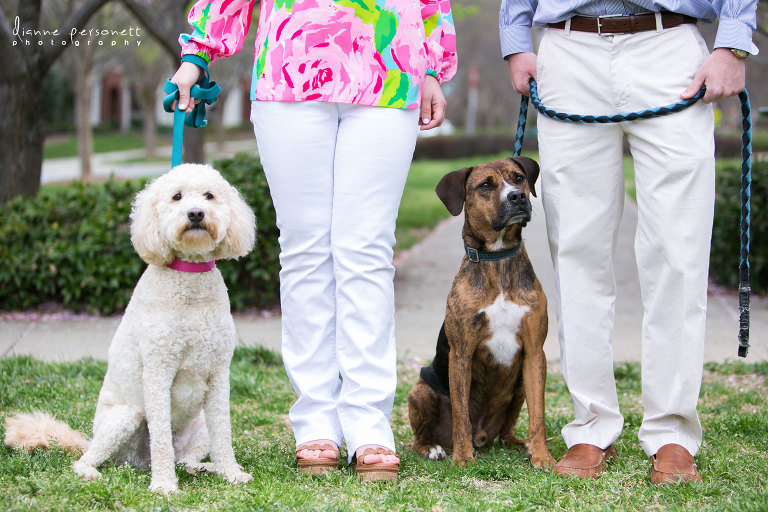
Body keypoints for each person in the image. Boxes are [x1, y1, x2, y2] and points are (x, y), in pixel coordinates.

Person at [171, 0, 457, 481]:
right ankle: (316, 423)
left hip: (390, 65)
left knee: (366, 251)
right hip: (291, 65)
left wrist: (432, 64)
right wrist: (196, 53)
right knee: (305, 251)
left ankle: (369, 425)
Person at [500, 0, 758, 483]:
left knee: (678, 252)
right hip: (568, 50)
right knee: (576, 251)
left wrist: (732, 42)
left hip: (670, 47)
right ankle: (591, 426)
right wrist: (515, 41)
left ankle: (673, 433)